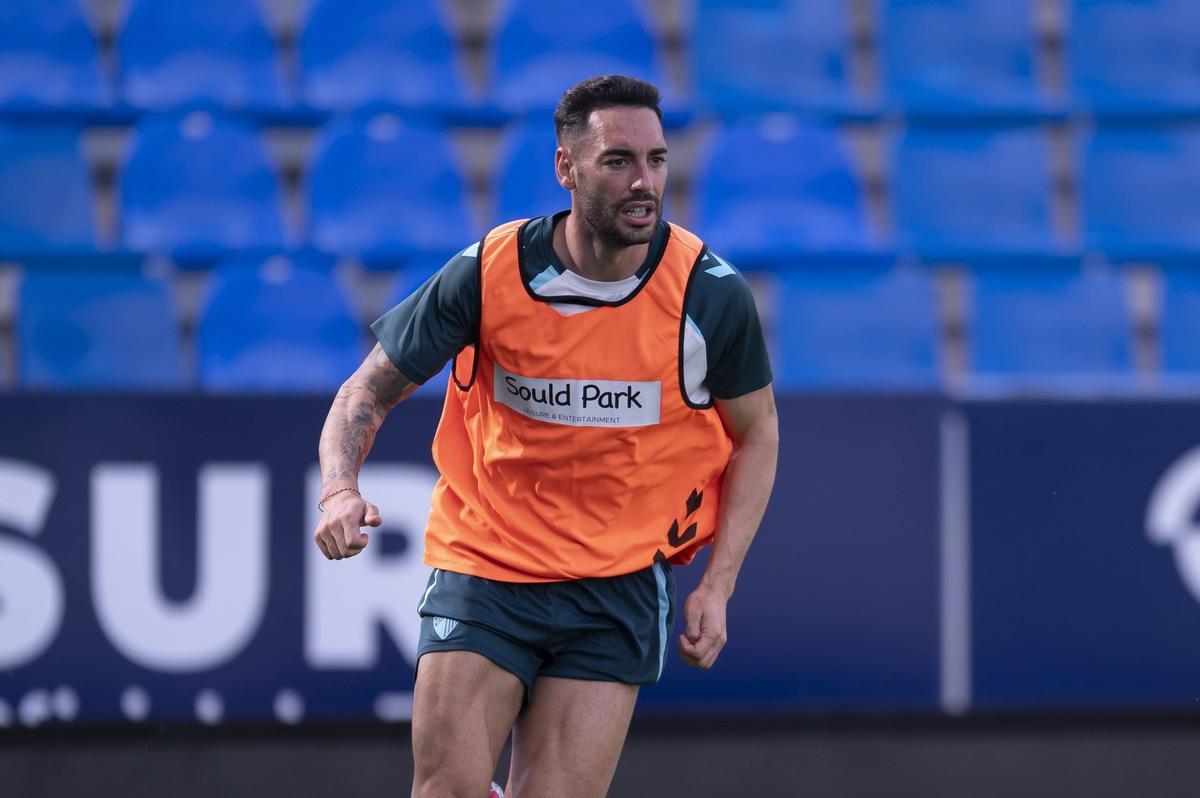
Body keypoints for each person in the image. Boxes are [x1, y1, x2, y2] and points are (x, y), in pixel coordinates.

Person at [312, 75, 778, 798]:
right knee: (448, 791)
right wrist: (339, 490)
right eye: (618, 160)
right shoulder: (490, 272)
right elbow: (364, 391)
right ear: (566, 168)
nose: (644, 182)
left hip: (617, 583)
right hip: (487, 563)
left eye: (656, 160)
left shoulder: (707, 295)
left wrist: (719, 584)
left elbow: (759, 434)